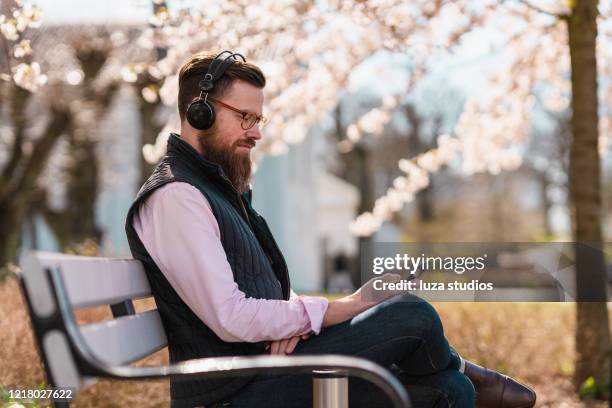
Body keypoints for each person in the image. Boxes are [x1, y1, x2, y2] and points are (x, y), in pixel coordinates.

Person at [124, 50, 536, 408]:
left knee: (449, 391)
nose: (257, 131)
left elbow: (255, 295)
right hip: (231, 390)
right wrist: (341, 308)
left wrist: (295, 323)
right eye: (245, 117)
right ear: (200, 111)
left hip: (264, 367)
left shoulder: (215, 190)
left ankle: (464, 376)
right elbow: (230, 316)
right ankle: (470, 370)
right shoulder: (178, 196)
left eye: (259, 118)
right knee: (412, 315)